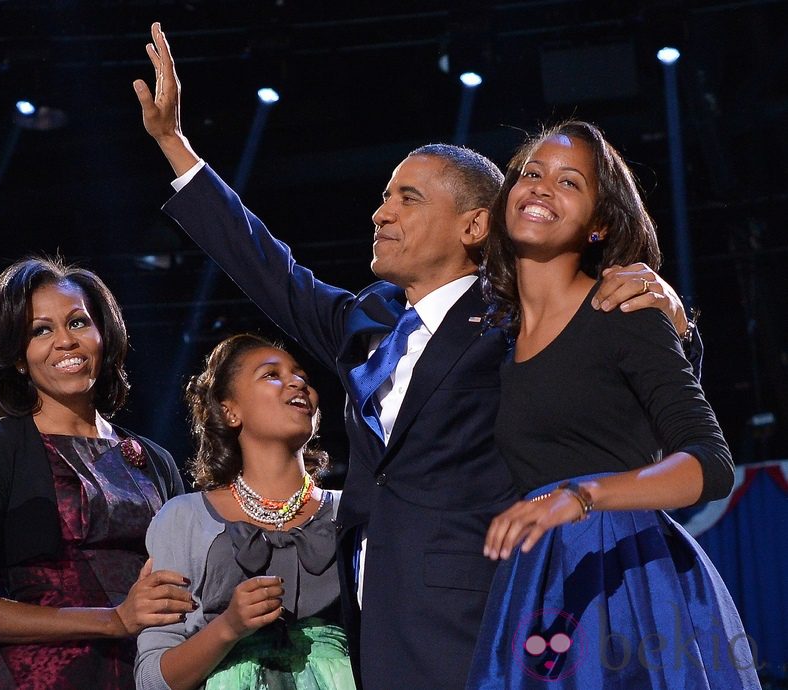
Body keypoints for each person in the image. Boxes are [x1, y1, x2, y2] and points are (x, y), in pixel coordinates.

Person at [132, 23, 695, 688]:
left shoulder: (520, 321)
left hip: (485, 617)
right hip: (379, 622)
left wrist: (676, 325)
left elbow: (635, 406)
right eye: (383, 196)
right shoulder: (365, 321)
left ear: (474, 226)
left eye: (408, 198)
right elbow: (266, 267)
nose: (381, 213)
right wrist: (175, 144)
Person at [472, 121, 760, 688]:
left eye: (569, 182)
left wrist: (582, 496)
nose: (540, 187)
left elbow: (711, 462)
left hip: (626, 578)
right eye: (531, 173)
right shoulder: (495, 344)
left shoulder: (623, 310)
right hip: (538, 583)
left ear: (600, 224)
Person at [0, 256, 194, 689]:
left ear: (103, 335)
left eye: (77, 323)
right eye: (41, 330)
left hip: (148, 673)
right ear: (18, 358)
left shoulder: (155, 459)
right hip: (35, 677)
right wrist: (113, 621)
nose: (65, 342)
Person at [135, 333, 356, 689]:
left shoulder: (353, 512)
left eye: (302, 376)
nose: (297, 381)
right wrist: (229, 628)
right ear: (229, 410)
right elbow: (152, 679)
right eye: (272, 374)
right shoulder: (184, 518)